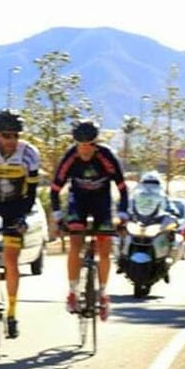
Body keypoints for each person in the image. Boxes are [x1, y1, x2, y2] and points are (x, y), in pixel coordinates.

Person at [50, 119, 128, 320]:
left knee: (104, 247)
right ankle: (73, 292)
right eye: (81, 145)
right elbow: (55, 189)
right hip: (78, 202)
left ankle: (102, 293)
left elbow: (122, 187)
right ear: (76, 143)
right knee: (75, 242)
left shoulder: (106, 156)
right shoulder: (70, 157)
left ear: (96, 143)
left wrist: (122, 215)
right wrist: (58, 216)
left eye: (89, 145)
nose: (85, 149)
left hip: (102, 202)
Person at [0, 109, 40, 338]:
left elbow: (32, 192)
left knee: (10, 260)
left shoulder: (29, 154)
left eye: (16, 136)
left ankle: (11, 313)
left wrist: (22, 218)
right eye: (7, 135)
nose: (12, 141)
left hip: (16, 208)